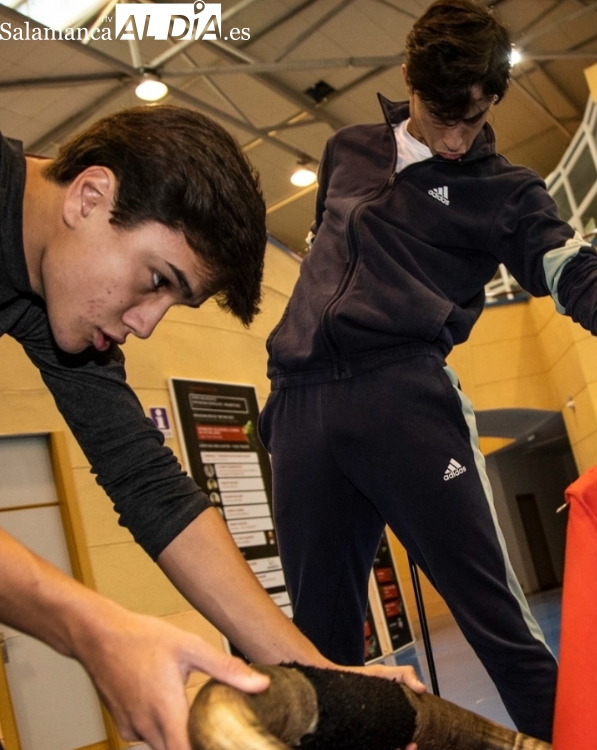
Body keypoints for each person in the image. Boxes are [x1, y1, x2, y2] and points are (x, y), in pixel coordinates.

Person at [259, 0, 597, 741]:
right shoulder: (347, 151)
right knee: (320, 649)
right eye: (442, 116)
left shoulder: (504, 191)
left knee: (499, 624)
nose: (457, 139)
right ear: (408, 80)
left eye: (475, 119)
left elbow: (579, 275)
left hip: (403, 398)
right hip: (298, 403)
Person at [0, 105, 422, 750]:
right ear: (90, 195)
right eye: (155, 280)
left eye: (173, 301)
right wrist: (94, 630)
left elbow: (149, 485)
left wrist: (323, 678)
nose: (145, 324)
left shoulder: (48, 297)